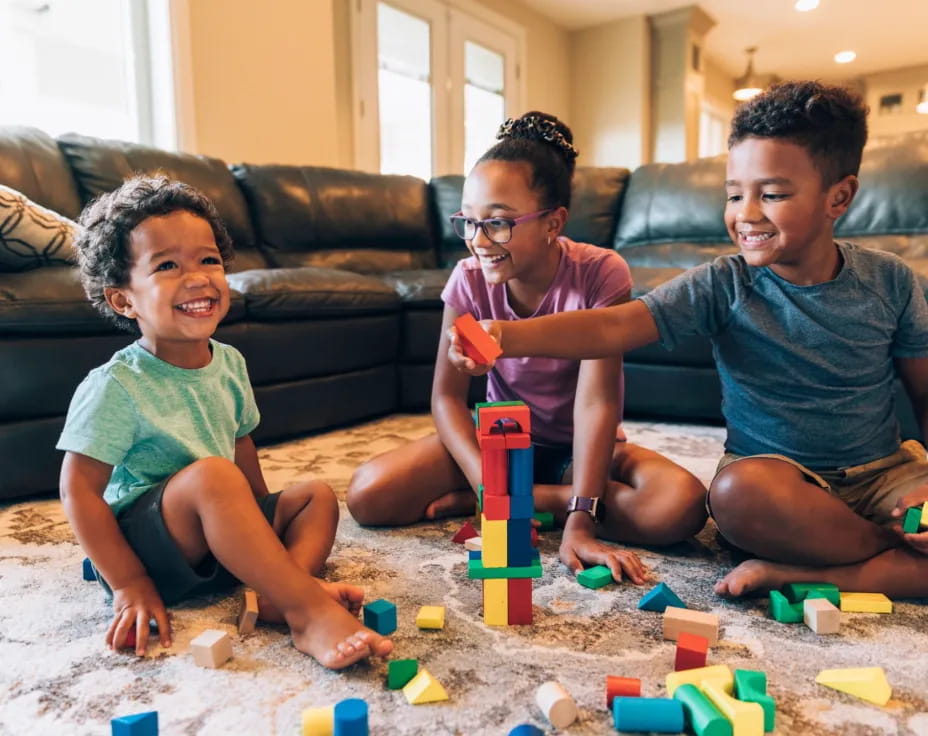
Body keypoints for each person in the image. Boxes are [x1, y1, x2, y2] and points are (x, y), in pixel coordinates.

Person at [448, 83, 928, 600]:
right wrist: (507, 336)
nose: (746, 213)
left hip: (886, 476)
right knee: (734, 496)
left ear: (840, 196)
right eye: (734, 193)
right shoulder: (722, 283)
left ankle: (811, 574)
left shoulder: (892, 281)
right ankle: (888, 550)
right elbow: (612, 326)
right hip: (776, 482)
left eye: (772, 194)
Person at [347, 112, 707, 584]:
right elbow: (447, 398)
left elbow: (597, 401)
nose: (479, 241)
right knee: (368, 494)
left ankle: (543, 498)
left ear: (554, 221)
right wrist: (485, 483)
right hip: (499, 443)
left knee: (678, 506)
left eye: (497, 223)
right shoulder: (468, 280)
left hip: (575, 452)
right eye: (469, 222)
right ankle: (520, 494)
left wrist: (581, 520)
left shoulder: (601, 273)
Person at [57, 176, 393, 669]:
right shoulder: (115, 384)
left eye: (208, 260)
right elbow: (78, 491)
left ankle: (280, 588)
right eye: (167, 265)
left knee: (315, 496)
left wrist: (259, 519)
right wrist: (129, 583)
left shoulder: (229, 361)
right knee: (214, 476)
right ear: (124, 300)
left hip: (218, 534)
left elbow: (242, 443)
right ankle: (307, 612)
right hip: (152, 548)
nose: (196, 277)